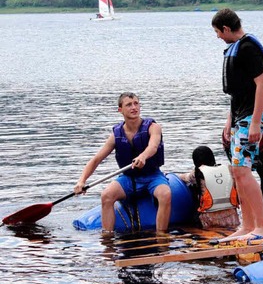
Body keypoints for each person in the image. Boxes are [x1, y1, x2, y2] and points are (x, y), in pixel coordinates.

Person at [212, 8, 263, 240]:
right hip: (240, 116)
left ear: (226, 29)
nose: (218, 36)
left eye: (218, 32)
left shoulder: (248, 48)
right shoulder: (237, 48)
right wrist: (230, 120)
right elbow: (238, 92)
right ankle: (247, 226)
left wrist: (256, 122)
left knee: (243, 170)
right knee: (238, 172)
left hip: (252, 117)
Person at [73, 92, 171, 232]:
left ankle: (161, 236)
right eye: (129, 105)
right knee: (106, 195)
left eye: (136, 103)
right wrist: (81, 181)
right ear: (120, 110)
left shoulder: (153, 127)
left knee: (165, 194)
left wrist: (143, 156)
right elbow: (96, 159)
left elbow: (153, 146)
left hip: (152, 176)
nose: (134, 107)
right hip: (129, 178)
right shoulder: (116, 135)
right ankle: (108, 237)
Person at [179, 145, 239, 229]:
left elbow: (184, 178)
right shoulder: (228, 169)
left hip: (208, 219)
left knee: (191, 186)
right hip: (232, 217)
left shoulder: (198, 173)